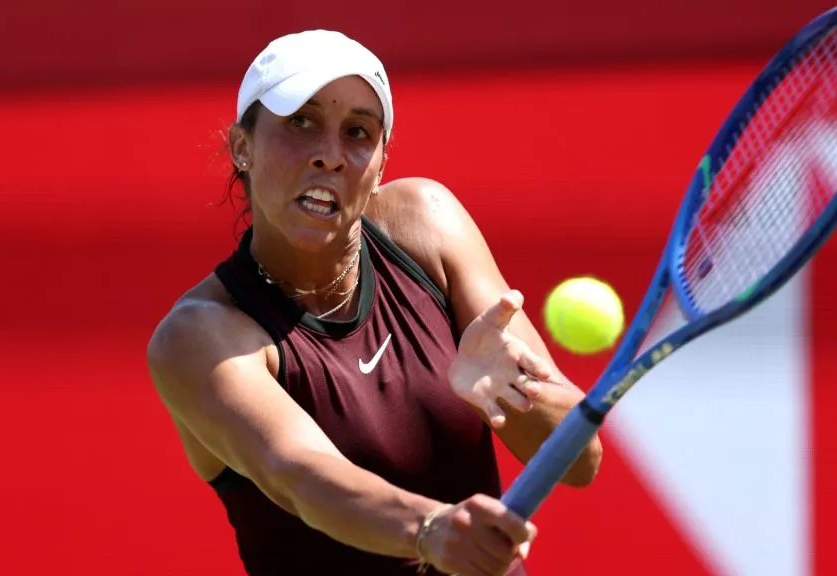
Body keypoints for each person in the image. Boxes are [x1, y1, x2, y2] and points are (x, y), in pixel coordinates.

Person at [146, 29, 603, 576]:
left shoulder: (427, 224)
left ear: (381, 164)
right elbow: (302, 474)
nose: (330, 156)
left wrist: (511, 393)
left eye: (358, 132)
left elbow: (580, 460)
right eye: (301, 122)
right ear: (242, 146)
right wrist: (430, 530)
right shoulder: (199, 337)